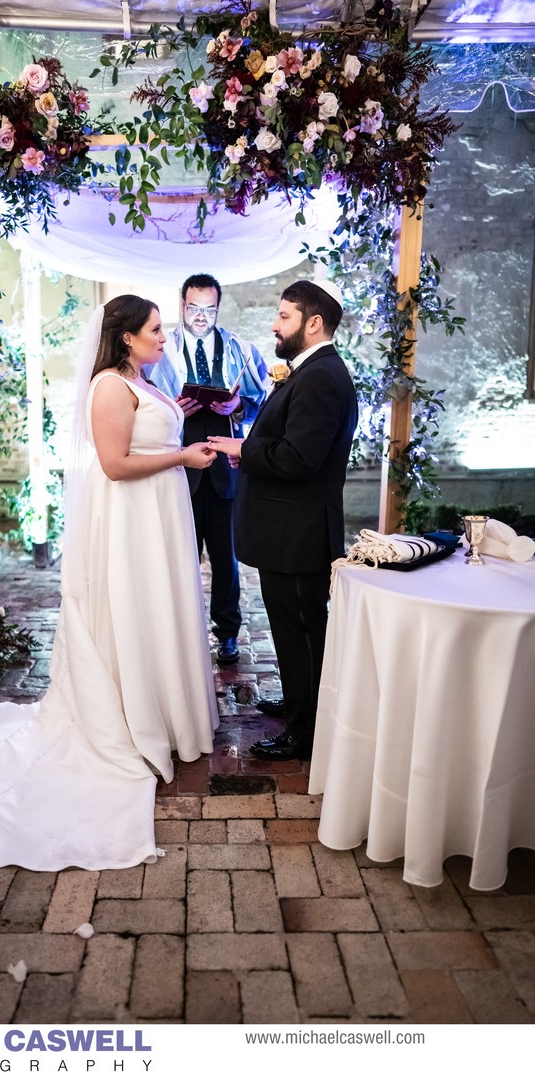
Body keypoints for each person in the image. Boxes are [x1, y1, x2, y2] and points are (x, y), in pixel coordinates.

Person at [0, 295, 220, 871]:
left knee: (160, 611)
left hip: (158, 514)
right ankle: (129, 713)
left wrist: (178, 443)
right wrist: (181, 458)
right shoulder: (108, 387)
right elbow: (116, 464)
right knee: (132, 610)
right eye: (155, 330)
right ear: (126, 337)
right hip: (132, 519)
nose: (164, 338)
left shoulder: (140, 379)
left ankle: (166, 710)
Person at [209, 279, 358, 761]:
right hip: (289, 531)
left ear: (314, 323)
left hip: (298, 534)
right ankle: (300, 703)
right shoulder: (309, 371)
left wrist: (243, 449)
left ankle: (307, 732)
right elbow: (289, 444)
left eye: (284, 316)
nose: (275, 324)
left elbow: (300, 458)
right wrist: (251, 455)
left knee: (303, 631)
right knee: (293, 631)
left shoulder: (320, 377)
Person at [147, 273, 268, 666]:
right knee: (179, 557)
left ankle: (227, 633)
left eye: (210, 309)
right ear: (181, 305)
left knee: (225, 558)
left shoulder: (240, 349)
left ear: (219, 307)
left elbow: (262, 402)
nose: (202, 316)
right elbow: (143, 402)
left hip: (223, 467)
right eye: (195, 308)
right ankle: (181, 635)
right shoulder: (160, 348)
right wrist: (172, 411)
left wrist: (239, 408)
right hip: (179, 465)